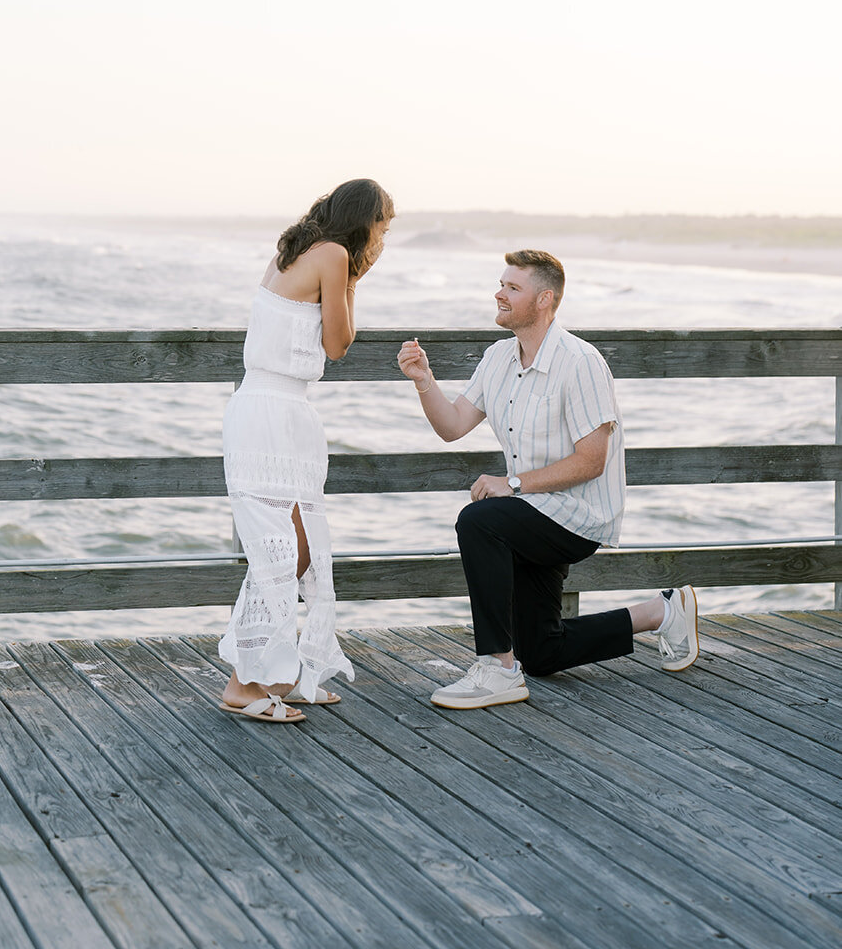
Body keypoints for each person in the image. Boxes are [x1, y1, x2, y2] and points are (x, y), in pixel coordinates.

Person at [397, 249, 699, 708]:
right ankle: (662, 611)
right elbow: (453, 425)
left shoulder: (580, 362)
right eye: (501, 284)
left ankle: (497, 667)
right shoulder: (499, 358)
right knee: (541, 652)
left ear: (544, 300)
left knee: (480, 520)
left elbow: (591, 461)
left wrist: (511, 484)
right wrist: (424, 380)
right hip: (533, 513)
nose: (499, 293)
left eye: (512, 287)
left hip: (578, 515)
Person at [219, 178, 394, 721]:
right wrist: (355, 280)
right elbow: (338, 345)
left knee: (290, 549)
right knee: (284, 551)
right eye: (383, 226)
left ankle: (276, 670)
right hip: (275, 414)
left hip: (266, 410)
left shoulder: (294, 249)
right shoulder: (337, 255)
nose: (384, 237)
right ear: (364, 222)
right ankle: (244, 684)